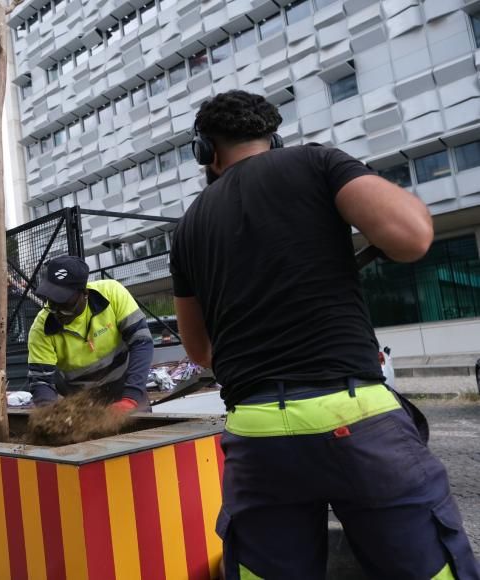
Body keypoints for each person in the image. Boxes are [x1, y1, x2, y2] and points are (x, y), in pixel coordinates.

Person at [169, 90, 479, 579]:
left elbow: (201, 351)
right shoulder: (316, 163)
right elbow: (411, 237)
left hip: (258, 435)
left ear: (205, 151)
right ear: (274, 138)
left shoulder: (188, 226)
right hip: (356, 417)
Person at [27, 255, 154, 412]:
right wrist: (50, 416)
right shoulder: (40, 329)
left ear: (85, 293)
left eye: (64, 304)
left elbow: (141, 342)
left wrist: (131, 397)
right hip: (82, 402)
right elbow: (42, 382)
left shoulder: (112, 293)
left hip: (126, 388)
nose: (57, 311)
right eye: (52, 303)